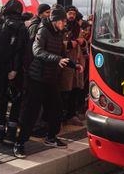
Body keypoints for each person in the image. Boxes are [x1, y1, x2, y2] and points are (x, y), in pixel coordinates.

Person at [14, 8, 82, 158]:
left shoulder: (59, 33)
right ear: (56, 20)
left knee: (57, 109)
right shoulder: (43, 31)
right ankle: (19, 143)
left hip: (50, 78)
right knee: (30, 113)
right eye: (63, 21)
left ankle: (51, 138)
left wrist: (74, 65)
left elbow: (62, 54)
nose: (65, 23)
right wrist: (57, 59)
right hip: (36, 79)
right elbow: (37, 51)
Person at [0, 0, 28, 146]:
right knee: (16, 100)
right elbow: (19, 50)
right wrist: (15, 69)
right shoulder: (20, 26)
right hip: (13, 71)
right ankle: (10, 134)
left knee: (1, 101)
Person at [61, 6, 85, 126]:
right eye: (70, 13)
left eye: (74, 14)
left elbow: (83, 44)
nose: (72, 16)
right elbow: (57, 44)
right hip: (66, 64)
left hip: (78, 63)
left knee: (75, 91)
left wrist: (83, 42)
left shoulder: (78, 28)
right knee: (65, 91)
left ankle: (71, 114)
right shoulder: (62, 27)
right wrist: (71, 43)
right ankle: (63, 115)